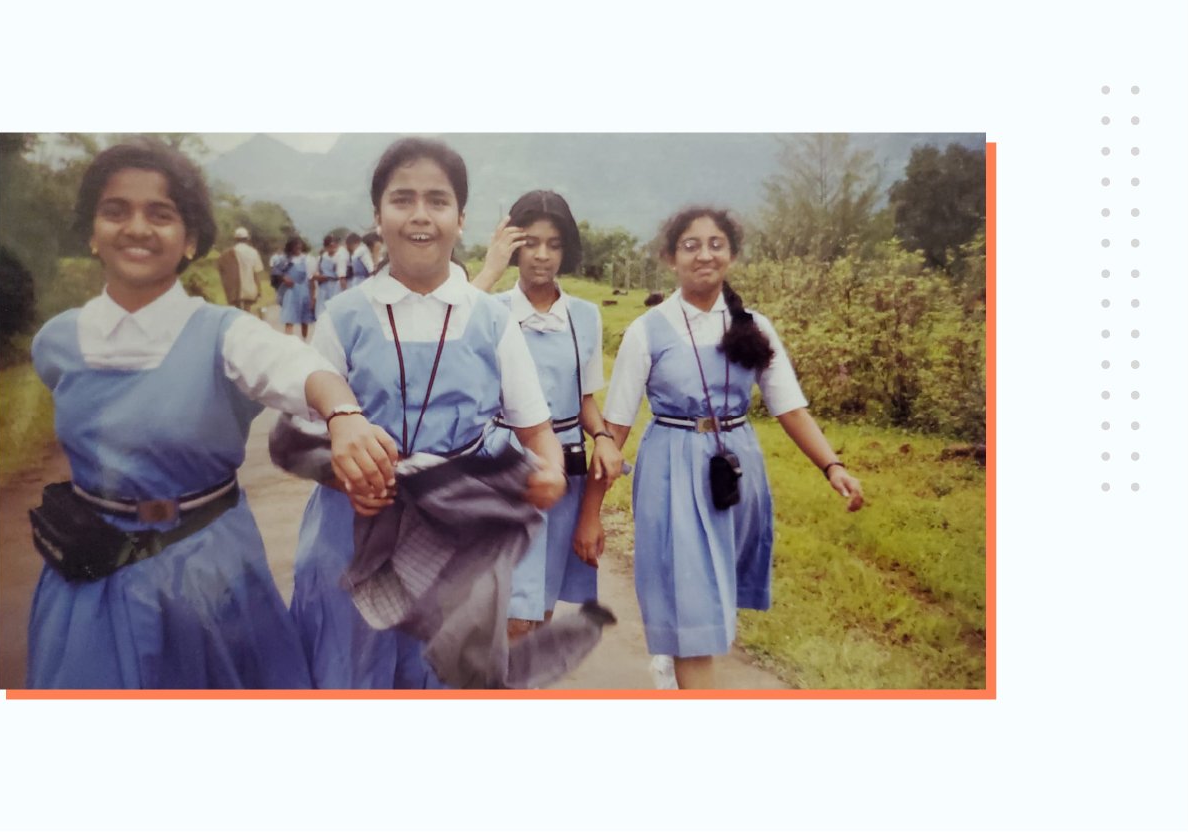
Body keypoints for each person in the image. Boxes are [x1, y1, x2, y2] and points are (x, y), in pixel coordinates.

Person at [25, 138, 399, 689]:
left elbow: (299, 367)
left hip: (207, 569)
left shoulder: (226, 335)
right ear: (91, 231)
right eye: (115, 211)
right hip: (90, 575)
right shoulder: (56, 343)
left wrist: (343, 414)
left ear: (190, 238)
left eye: (160, 214)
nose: (136, 227)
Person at [290, 137, 569, 689]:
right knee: (350, 672)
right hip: (353, 536)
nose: (420, 216)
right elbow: (304, 431)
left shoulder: (491, 320)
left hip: (459, 538)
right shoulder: (343, 317)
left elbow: (537, 430)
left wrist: (551, 471)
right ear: (378, 215)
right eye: (403, 199)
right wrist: (341, 473)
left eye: (438, 201)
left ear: (460, 219)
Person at [596, 206, 865, 690]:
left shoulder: (754, 326)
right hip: (672, 466)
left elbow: (790, 409)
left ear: (733, 255)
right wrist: (589, 513)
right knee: (692, 593)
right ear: (669, 257)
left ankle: (675, 652)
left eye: (716, 244)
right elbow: (614, 429)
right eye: (691, 245)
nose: (705, 254)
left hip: (735, 468)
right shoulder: (646, 331)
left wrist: (832, 465)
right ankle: (685, 660)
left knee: (712, 584)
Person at [470, 191, 623, 640]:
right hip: (504, 465)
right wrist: (487, 271)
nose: (541, 255)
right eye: (530, 242)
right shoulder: (487, 308)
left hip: (562, 473)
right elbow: (444, 331)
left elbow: (584, 400)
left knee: (542, 606)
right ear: (512, 246)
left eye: (553, 244)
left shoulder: (585, 317)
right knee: (508, 609)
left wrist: (604, 437)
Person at [279, 236, 314, 338]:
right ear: (291, 247)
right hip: (290, 291)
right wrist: (284, 278)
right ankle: (289, 341)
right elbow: (279, 273)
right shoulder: (286, 259)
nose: (298, 247)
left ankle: (304, 341)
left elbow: (311, 278)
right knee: (289, 317)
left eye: (299, 245)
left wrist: (312, 297)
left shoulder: (307, 259)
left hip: (304, 290)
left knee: (305, 319)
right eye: (295, 245)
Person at [228, 226, 264, 314]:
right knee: (247, 311)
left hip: (235, 289)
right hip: (249, 288)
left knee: (237, 312)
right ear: (247, 239)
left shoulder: (230, 252)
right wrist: (259, 289)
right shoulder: (253, 252)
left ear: (235, 239)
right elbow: (256, 272)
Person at [312, 234, 346, 313]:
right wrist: (318, 277)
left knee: (335, 311)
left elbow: (342, 277)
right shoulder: (321, 258)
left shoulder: (340, 257)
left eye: (335, 244)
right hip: (323, 288)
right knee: (322, 311)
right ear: (326, 247)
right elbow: (315, 273)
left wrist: (345, 292)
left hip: (335, 286)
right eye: (330, 245)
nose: (333, 247)